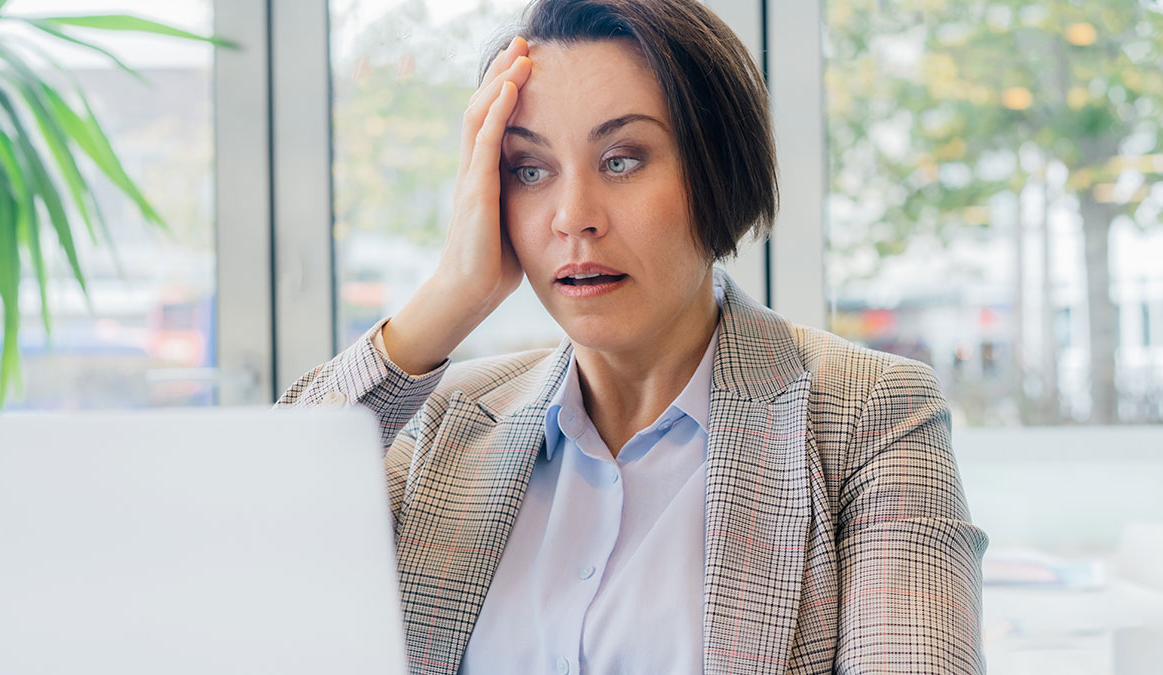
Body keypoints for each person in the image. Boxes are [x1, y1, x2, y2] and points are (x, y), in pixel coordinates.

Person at [277, 0, 988, 672]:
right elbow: (246, 519)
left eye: (622, 159)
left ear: (717, 168)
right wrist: (449, 299)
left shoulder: (870, 416)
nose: (572, 217)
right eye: (529, 170)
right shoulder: (446, 424)